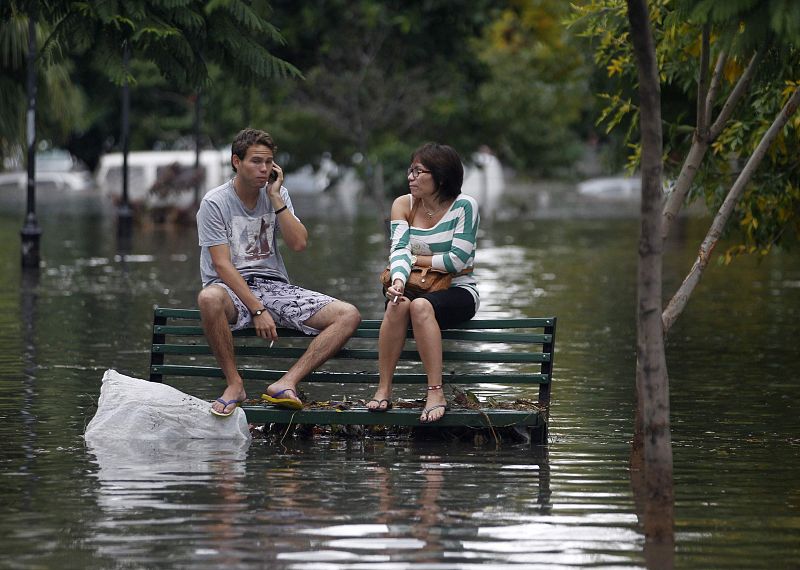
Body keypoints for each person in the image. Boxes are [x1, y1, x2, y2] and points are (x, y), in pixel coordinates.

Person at [197, 128, 361, 417]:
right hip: (230, 288)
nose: (264, 169)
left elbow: (298, 243)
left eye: (269, 162)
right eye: (256, 161)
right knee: (208, 298)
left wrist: (275, 198)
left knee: (348, 315)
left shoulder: (278, 194)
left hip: (275, 286)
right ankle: (234, 384)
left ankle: (286, 383)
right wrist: (257, 310)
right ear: (236, 161)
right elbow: (222, 265)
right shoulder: (215, 202)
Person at [367, 143, 480, 423]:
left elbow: (457, 262)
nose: (410, 177)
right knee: (396, 305)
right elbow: (399, 252)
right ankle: (383, 388)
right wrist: (397, 280)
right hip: (412, 285)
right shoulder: (403, 204)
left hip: (459, 290)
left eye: (418, 171)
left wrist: (416, 260)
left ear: (440, 177)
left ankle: (435, 392)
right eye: (411, 170)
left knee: (419, 307)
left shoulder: (464, 206)